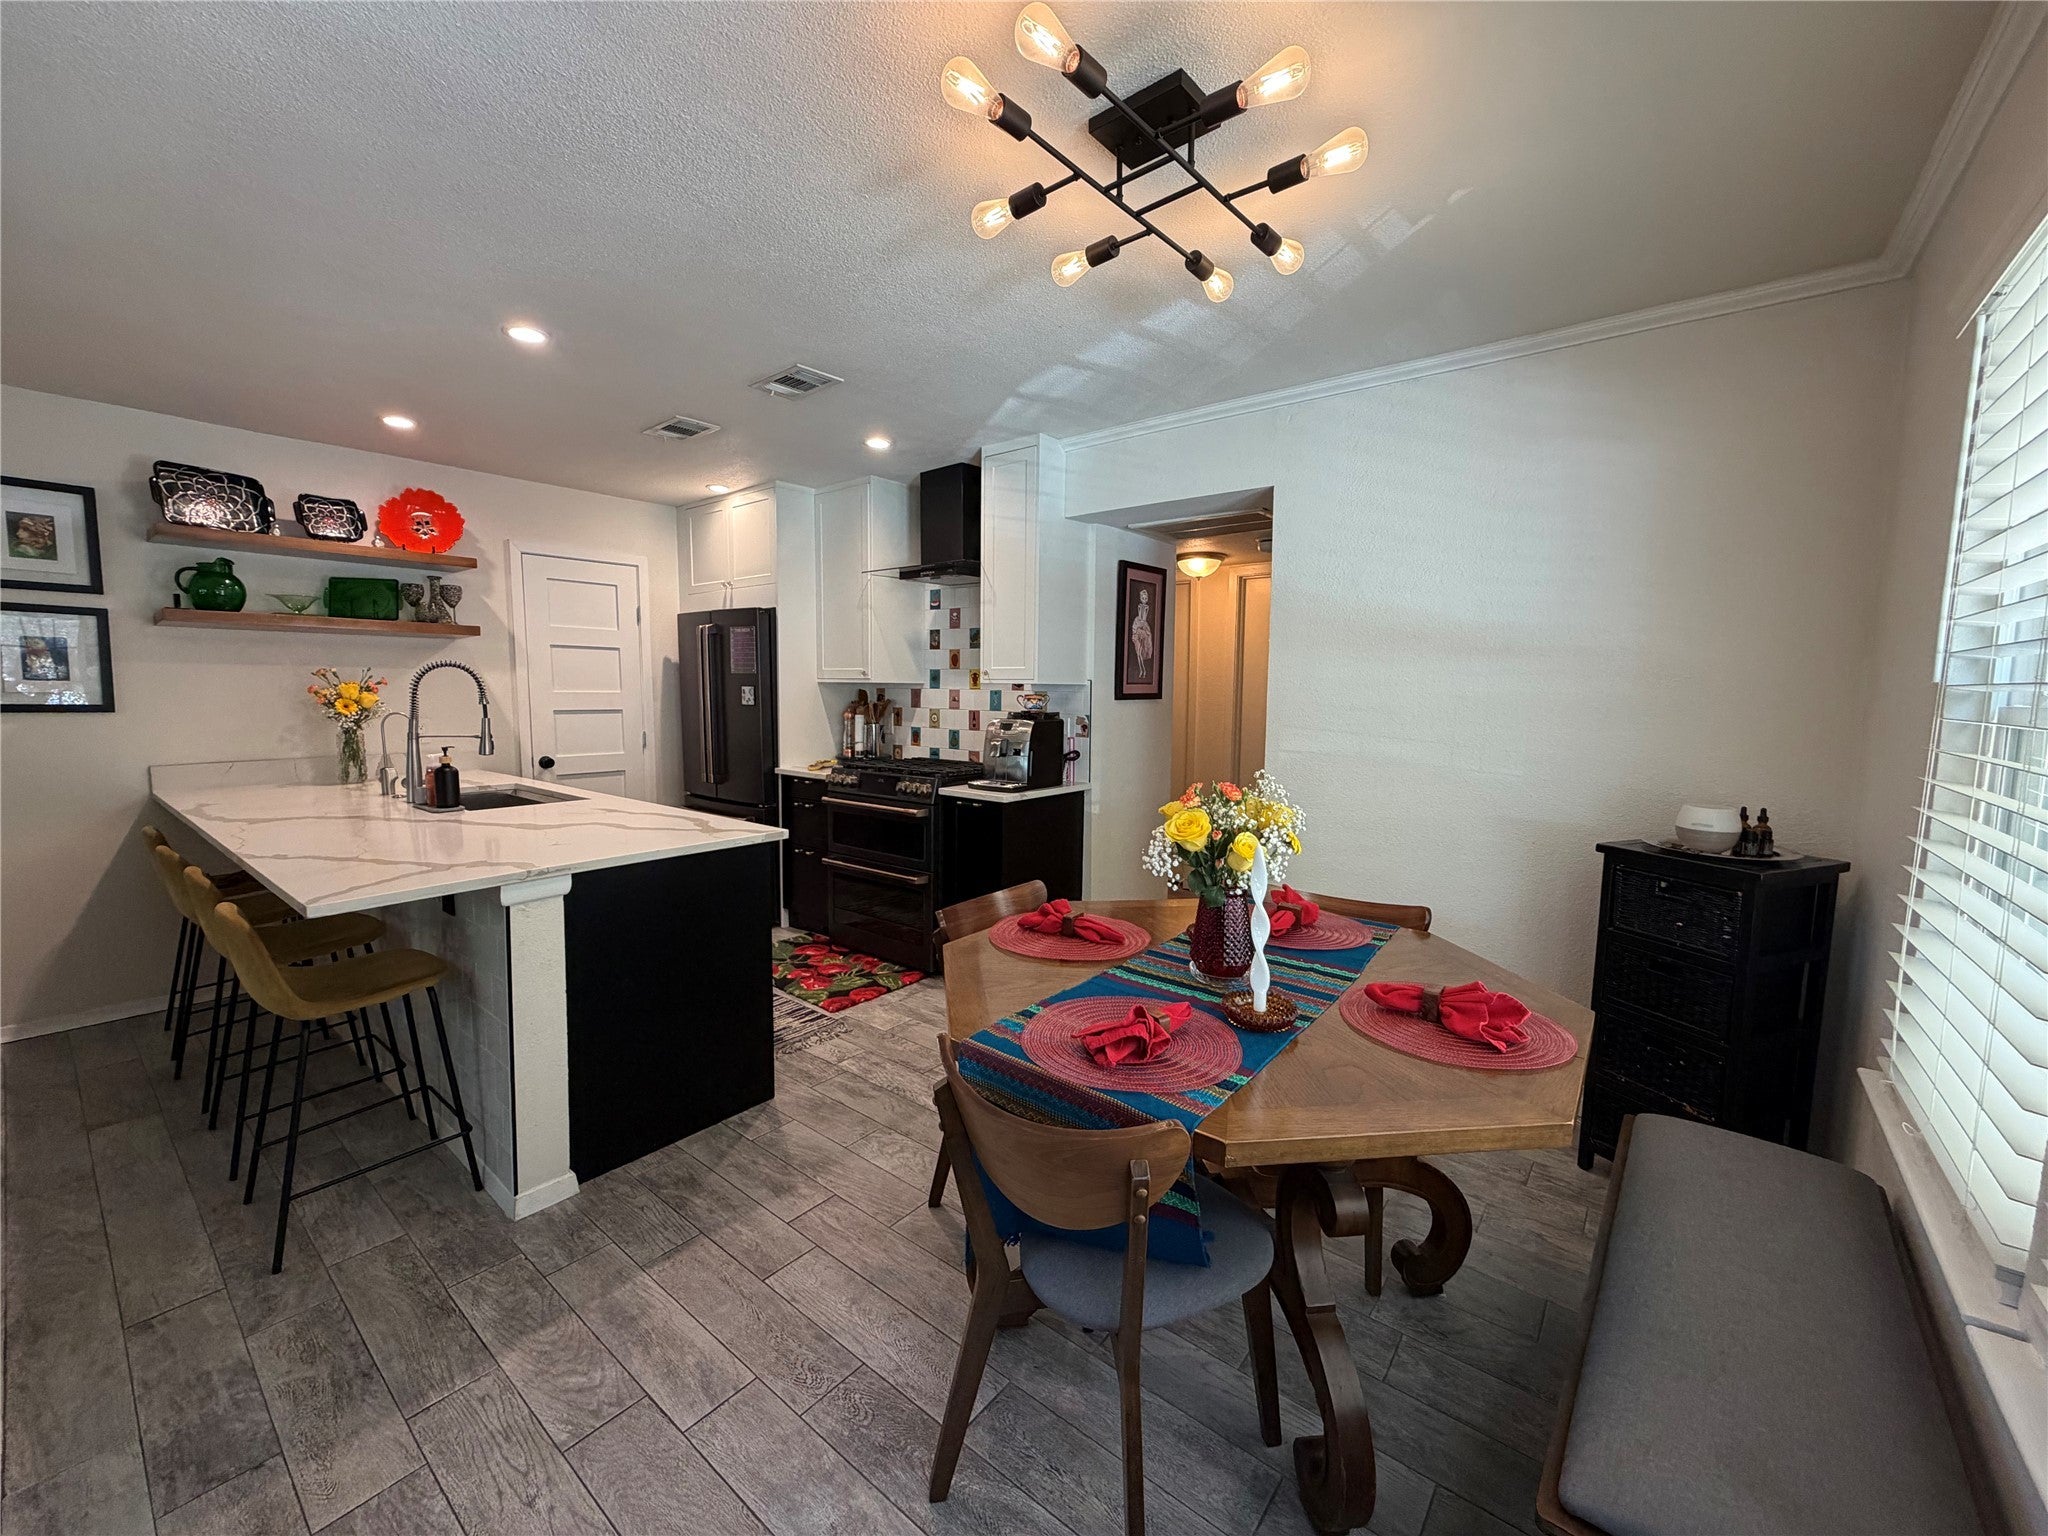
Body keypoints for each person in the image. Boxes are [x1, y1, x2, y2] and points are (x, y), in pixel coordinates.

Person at [1128, 586, 1155, 683]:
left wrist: (1142, 626)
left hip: (1143, 627)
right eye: (1143, 598)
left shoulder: (1146, 607)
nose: (1144, 599)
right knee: (1138, 653)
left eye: (1145, 598)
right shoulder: (1140, 606)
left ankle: (1143, 670)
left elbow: (1144, 618)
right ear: (1140, 598)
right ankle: (1142, 670)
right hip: (1138, 625)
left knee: (1140, 652)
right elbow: (1140, 617)